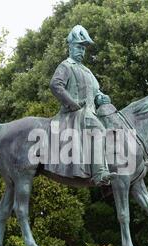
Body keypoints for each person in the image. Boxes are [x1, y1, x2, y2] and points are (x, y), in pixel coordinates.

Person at [49, 25, 115, 186]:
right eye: (79, 47)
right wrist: (72, 104)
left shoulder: (87, 71)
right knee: (98, 129)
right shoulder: (66, 66)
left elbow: (96, 92)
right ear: (70, 47)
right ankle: (100, 173)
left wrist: (102, 97)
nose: (82, 51)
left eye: (84, 48)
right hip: (74, 114)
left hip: (90, 112)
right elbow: (55, 85)